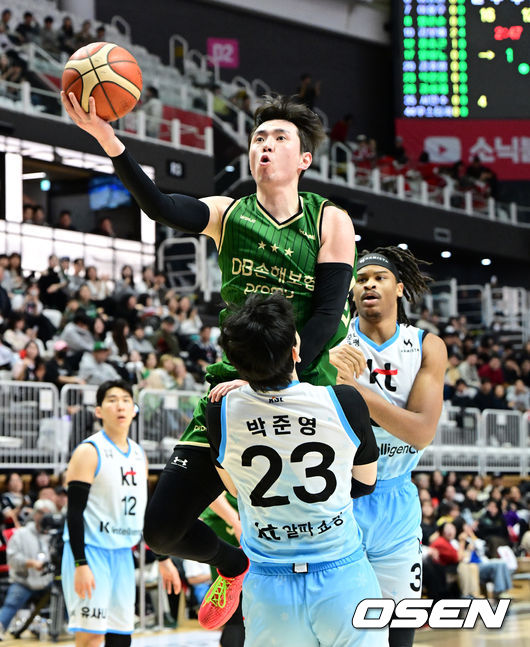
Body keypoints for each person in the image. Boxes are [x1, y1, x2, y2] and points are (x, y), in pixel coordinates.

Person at [61, 91, 356, 627]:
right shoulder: (228, 213)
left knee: (318, 523)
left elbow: (327, 313)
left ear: (304, 159)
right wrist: (109, 140)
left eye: (280, 138)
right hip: (233, 385)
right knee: (161, 531)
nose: (265, 145)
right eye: (259, 137)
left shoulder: (329, 220)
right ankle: (232, 564)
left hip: (304, 384)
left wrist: (275, 380)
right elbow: (160, 206)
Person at [204, 293, 384, 644]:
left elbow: (234, 487)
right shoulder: (344, 402)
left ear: (237, 365)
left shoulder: (220, 411)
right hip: (342, 578)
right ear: (296, 351)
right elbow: (366, 482)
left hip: (270, 587)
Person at [330, 246, 447, 647]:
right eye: (361, 279)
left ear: (399, 288)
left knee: (399, 629)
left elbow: (421, 432)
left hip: (396, 503)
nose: (369, 285)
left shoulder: (426, 345)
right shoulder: (331, 344)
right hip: (340, 499)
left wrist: (353, 391)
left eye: (379, 278)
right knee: (342, 629)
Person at [61, 380, 180, 647]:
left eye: (126, 400)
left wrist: (162, 558)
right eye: (112, 400)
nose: (120, 406)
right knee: (91, 637)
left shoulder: (138, 454)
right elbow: (74, 513)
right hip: (91, 552)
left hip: (123, 555)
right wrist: (80, 563)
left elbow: (144, 511)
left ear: (134, 409)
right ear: (99, 411)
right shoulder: (88, 451)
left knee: (121, 637)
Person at [0, 499, 57, 640]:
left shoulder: (54, 535)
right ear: (35, 514)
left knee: (63, 594)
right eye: (41, 513)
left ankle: (66, 626)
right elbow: (12, 558)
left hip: (46, 581)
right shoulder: (21, 534)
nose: (44, 517)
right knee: (11, 602)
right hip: (24, 580)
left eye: (48, 514)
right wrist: (29, 563)